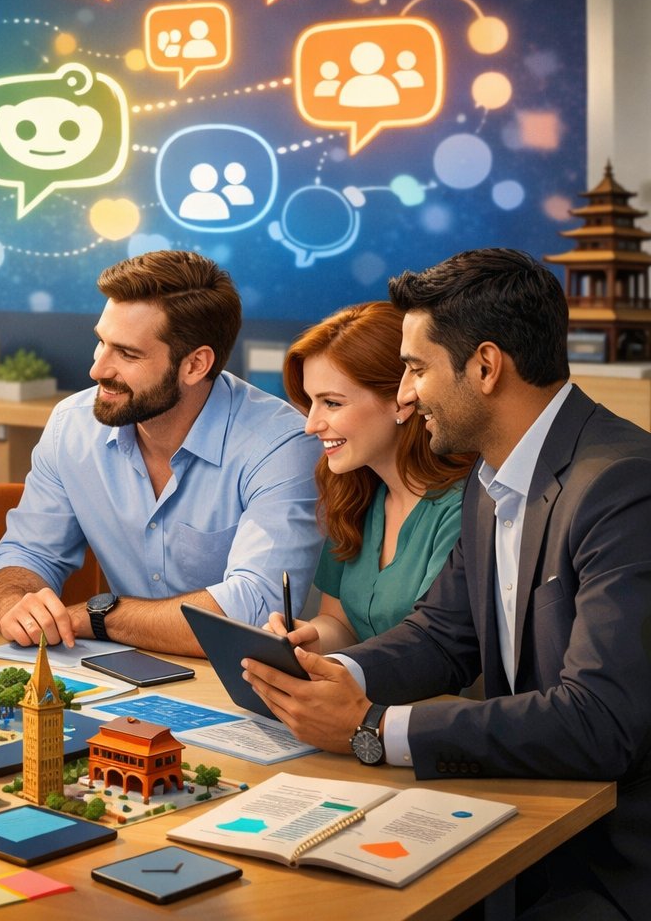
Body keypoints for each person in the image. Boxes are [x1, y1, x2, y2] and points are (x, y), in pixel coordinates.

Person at [243, 249, 651, 919]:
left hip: (606, 864)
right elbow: (442, 635)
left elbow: (600, 721)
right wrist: (328, 672)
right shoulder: (491, 481)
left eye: (415, 368)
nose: (404, 395)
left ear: (486, 367)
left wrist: (374, 728)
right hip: (524, 819)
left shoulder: (622, 485)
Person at [0, 250, 321, 655]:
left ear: (195, 364)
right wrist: (14, 602)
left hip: (240, 681)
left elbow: (253, 611)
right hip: (118, 675)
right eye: (101, 342)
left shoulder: (282, 444)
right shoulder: (71, 426)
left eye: (127, 354)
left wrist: (93, 616)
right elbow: (27, 552)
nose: (97, 370)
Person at [271, 302, 473, 652]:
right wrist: (309, 640)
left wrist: (342, 671)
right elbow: (340, 623)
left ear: (402, 399)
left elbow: (434, 648)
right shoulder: (356, 493)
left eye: (332, 403)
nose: (311, 425)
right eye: (311, 402)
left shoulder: (464, 510)